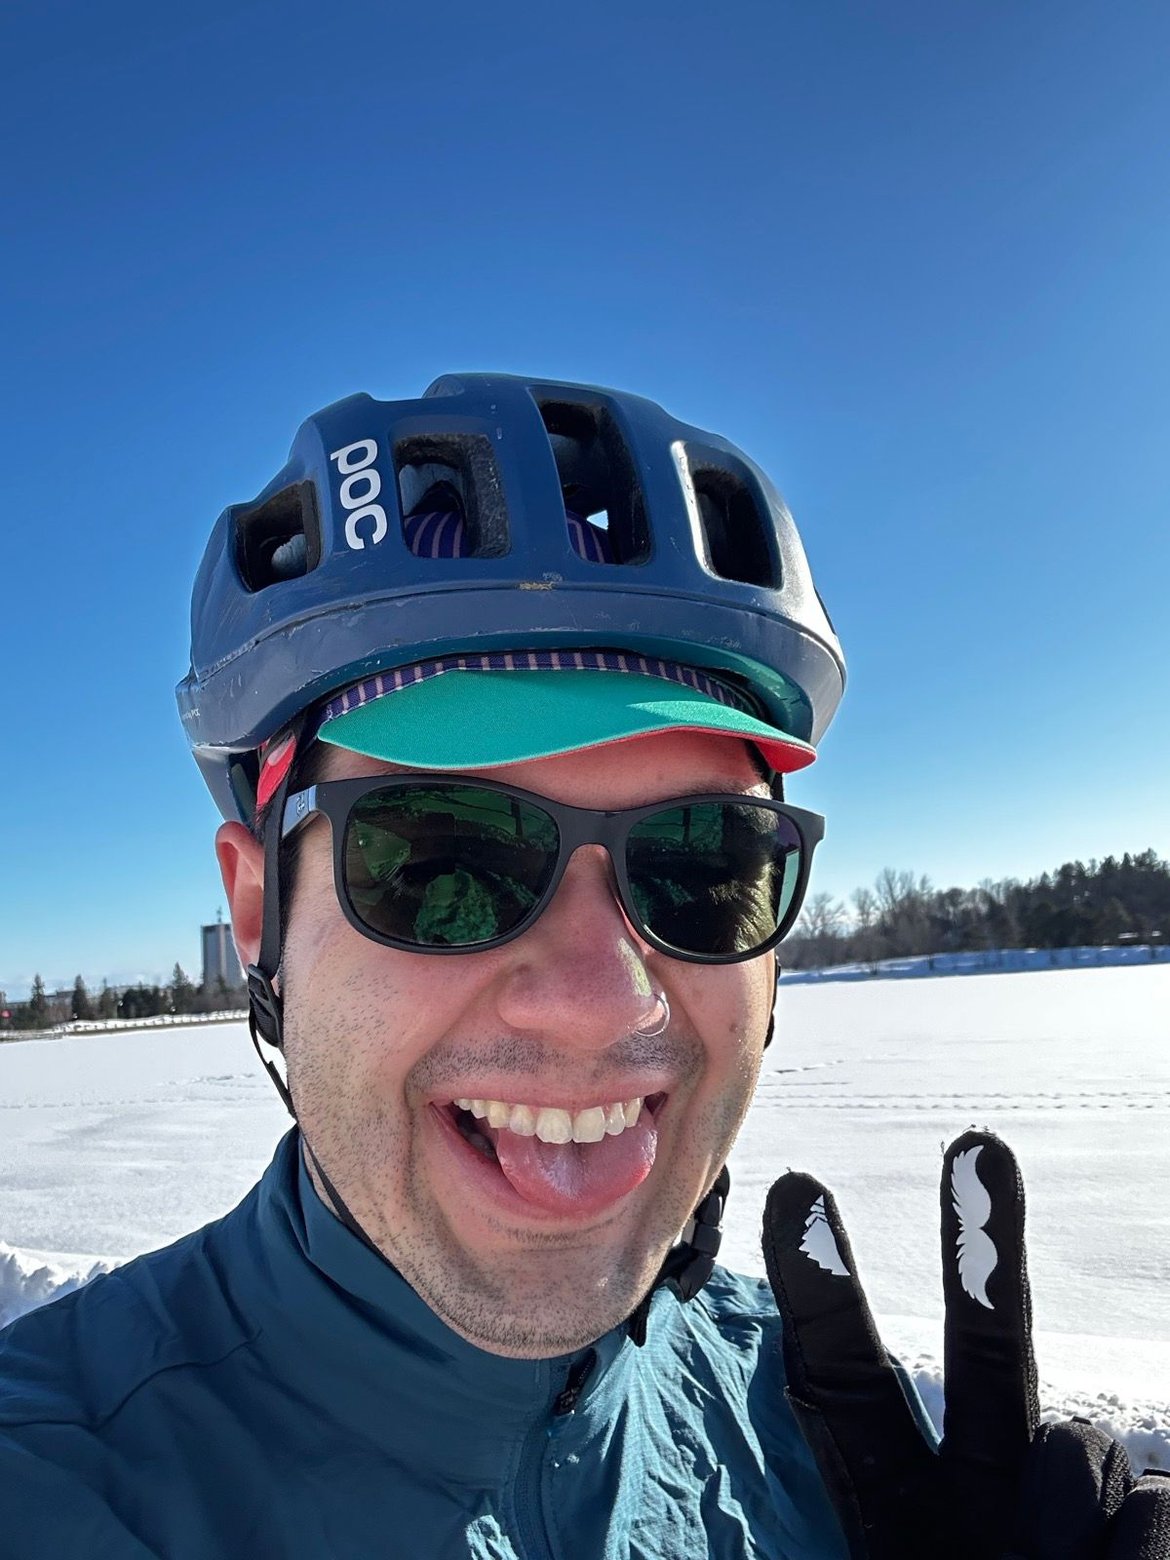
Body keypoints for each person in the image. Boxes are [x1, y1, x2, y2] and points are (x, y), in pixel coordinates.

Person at [0, 374, 1164, 1558]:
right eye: (443, 859)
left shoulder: (812, 1422)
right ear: (257, 911)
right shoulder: (53, 1479)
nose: (606, 996)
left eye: (705, 865)